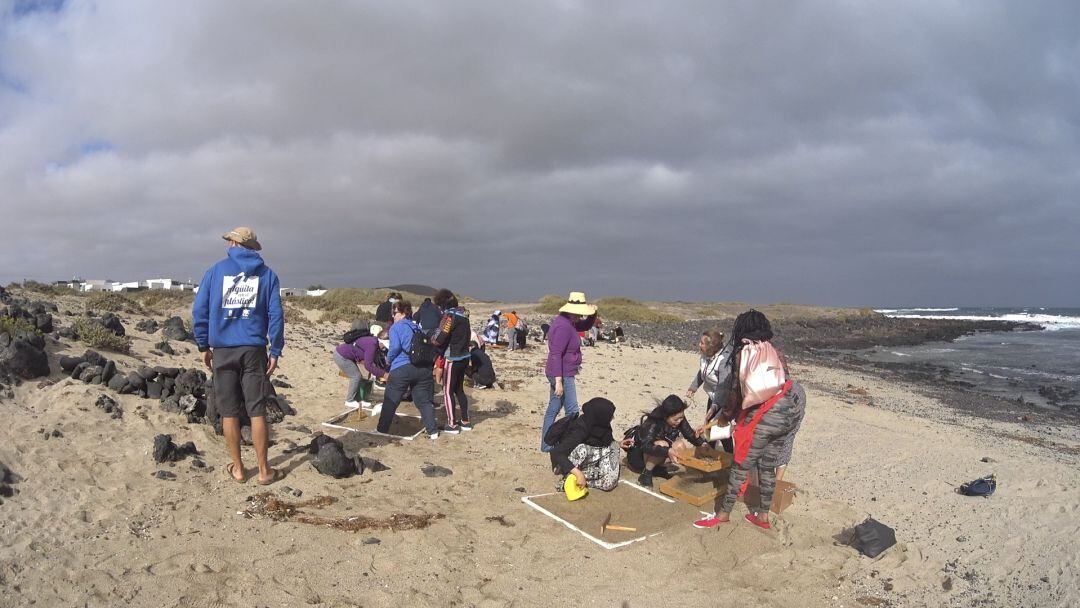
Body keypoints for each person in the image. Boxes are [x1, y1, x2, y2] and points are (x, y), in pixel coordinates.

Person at [693, 310, 806, 531]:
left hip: (767, 413)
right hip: (789, 408)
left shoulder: (743, 352)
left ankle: (723, 514)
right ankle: (762, 516)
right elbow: (782, 379)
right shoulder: (773, 350)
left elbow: (735, 392)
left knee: (741, 464)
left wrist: (725, 417)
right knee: (767, 465)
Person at [192, 226, 284, 485]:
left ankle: (240, 469)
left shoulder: (215, 272)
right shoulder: (267, 275)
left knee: (229, 412)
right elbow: (276, 316)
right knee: (257, 411)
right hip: (253, 350)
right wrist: (275, 350)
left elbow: (199, 311)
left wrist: (203, 345)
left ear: (234, 243)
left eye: (230, 241)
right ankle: (264, 471)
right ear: (253, 248)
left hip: (223, 349)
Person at [540, 291, 597, 452]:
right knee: (572, 411)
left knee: (553, 409)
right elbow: (555, 353)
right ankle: (567, 444)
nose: (581, 316)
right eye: (580, 313)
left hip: (562, 372)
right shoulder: (563, 326)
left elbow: (585, 326)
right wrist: (558, 381)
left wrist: (593, 314)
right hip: (562, 374)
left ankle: (547, 445)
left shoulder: (569, 321)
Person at [376, 300, 440, 440]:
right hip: (423, 369)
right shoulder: (417, 327)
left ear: (404, 313)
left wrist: (388, 360)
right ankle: (433, 432)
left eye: (396, 313)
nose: (393, 316)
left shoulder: (396, 327)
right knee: (423, 401)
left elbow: (395, 348)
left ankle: (381, 431)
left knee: (390, 400)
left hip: (402, 368)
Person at [624, 395, 705, 487]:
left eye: (681, 418)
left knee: (680, 446)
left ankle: (660, 470)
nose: (679, 421)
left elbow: (689, 433)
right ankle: (646, 474)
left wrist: (702, 443)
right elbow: (645, 446)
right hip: (638, 457)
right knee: (663, 445)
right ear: (666, 416)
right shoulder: (653, 421)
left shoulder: (678, 416)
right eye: (676, 419)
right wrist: (667, 451)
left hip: (656, 454)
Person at [549, 397, 621, 492]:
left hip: (589, 461)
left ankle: (584, 480)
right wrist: (578, 474)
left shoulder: (601, 424)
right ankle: (570, 478)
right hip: (569, 462)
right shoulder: (580, 429)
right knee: (581, 449)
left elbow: (606, 441)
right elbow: (557, 453)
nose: (612, 418)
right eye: (610, 415)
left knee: (614, 447)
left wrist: (620, 443)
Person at [431, 289, 473, 433]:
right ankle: (465, 421)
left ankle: (452, 424)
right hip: (464, 357)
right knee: (459, 390)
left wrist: (431, 339)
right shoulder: (464, 315)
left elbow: (439, 338)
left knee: (447, 390)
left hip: (452, 358)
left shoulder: (449, 317)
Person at [686, 328, 734, 451]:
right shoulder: (706, 356)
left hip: (724, 399)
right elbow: (703, 372)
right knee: (709, 425)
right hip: (712, 396)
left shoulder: (723, 362)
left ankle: (729, 455)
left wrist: (715, 407)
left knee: (720, 425)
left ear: (711, 347)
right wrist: (694, 387)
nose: (699, 345)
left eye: (702, 343)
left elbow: (723, 388)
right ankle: (710, 450)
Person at [333, 325, 390, 409]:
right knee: (356, 376)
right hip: (341, 356)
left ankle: (360, 399)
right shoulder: (372, 345)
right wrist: (384, 374)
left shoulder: (374, 342)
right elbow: (368, 366)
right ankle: (349, 400)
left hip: (349, 356)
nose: (384, 348)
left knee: (363, 377)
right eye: (385, 346)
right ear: (382, 342)